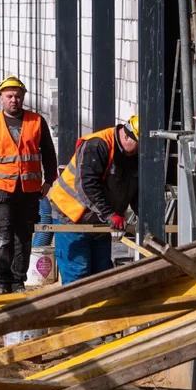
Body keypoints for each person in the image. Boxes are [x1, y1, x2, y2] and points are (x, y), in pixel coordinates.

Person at [0, 76, 58, 295]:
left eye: (18, 96)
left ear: (23, 98)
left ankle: (18, 280)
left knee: (23, 236)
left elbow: (49, 153)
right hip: (1, 190)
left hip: (29, 191)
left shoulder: (36, 122)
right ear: (1, 98)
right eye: (10, 96)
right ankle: (2, 282)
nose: (14, 100)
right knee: (3, 235)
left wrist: (49, 181)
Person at [47, 115, 140, 285]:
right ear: (126, 136)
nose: (139, 151)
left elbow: (134, 191)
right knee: (78, 273)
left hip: (99, 220)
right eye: (138, 146)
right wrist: (110, 214)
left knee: (101, 274)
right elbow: (87, 186)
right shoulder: (97, 145)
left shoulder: (132, 154)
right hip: (71, 216)